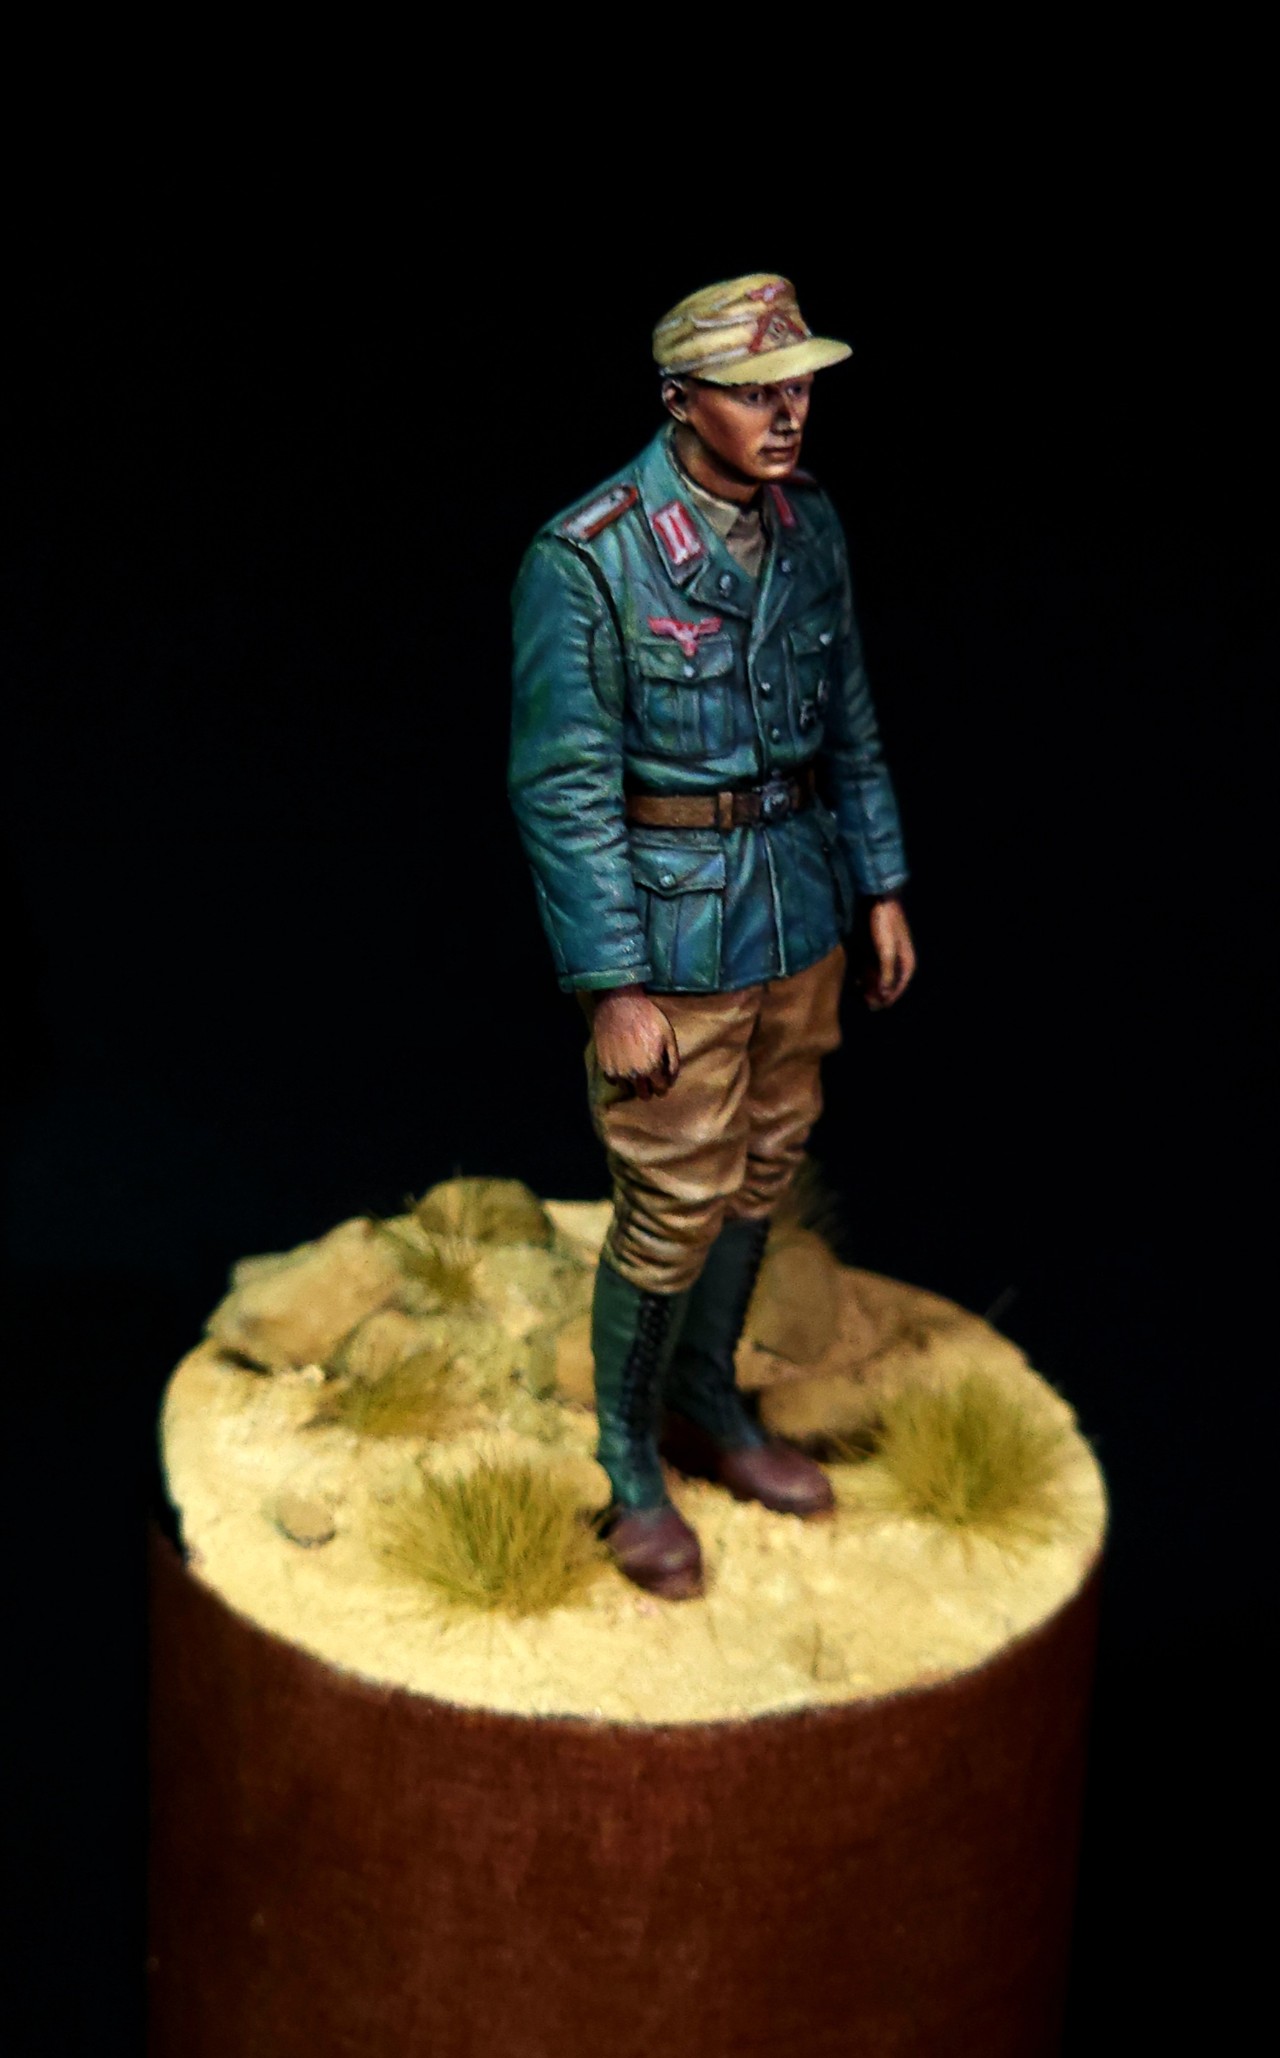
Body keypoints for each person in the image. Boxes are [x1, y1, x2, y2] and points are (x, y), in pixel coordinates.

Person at [509, 274, 915, 1599]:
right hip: (675, 937)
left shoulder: (810, 526)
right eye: (753, 392)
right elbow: (563, 788)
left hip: (797, 905)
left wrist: (880, 884)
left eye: (798, 387)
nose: (786, 414)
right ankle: (631, 1461)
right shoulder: (592, 555)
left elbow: (848, 718)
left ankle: (708, 1402)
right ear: (681, 400)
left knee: (765, 1165)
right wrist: (611, 985)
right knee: (673, 1200)